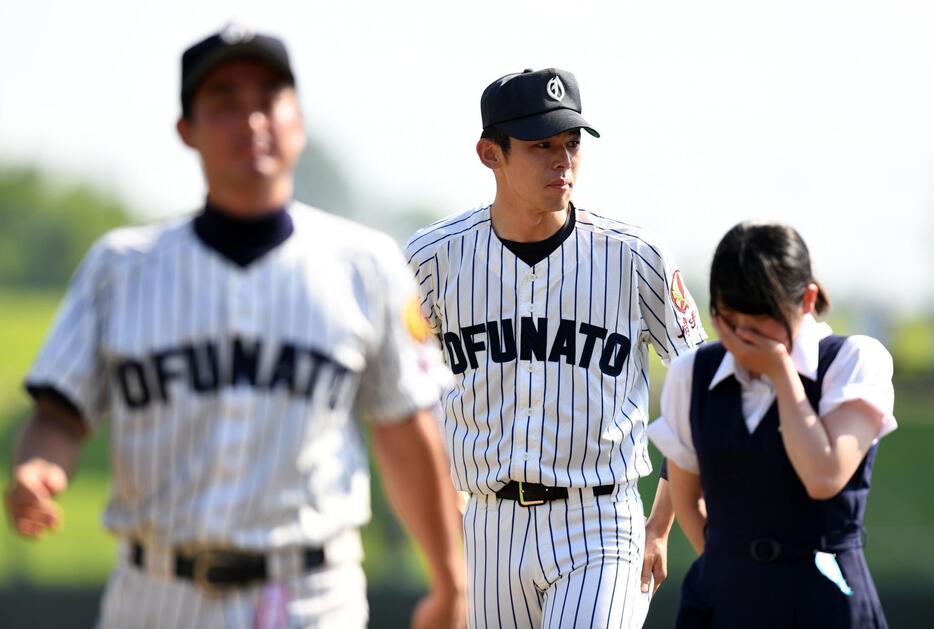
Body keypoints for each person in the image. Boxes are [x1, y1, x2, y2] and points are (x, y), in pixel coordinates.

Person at [4, 25, 465, 629]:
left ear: (297, 121)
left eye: (269, 97)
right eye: (224, 100)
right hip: (155, 594)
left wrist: (451, 582)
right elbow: (61, 411)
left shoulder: (366, 265)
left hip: (308, 596)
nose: (251, 119)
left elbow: (406, 432)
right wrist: (40, 464)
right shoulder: (121, 268)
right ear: (186, 131)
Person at [404, 68, 707, 628]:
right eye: (541, 145)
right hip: (487, 525)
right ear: (489, 153)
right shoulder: (431, 259)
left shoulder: (633, 256)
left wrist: (660, 524)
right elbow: (400, 393)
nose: (562, 160)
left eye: (570, 143)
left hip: (601, 520)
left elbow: (703, 387)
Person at [647, 221, 896, 628]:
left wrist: (782, 372)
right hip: (724, 600)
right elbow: (689, 497)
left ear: (807, 300)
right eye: (729, 321)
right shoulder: (692, 374)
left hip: (826, 601)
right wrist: (733, 564)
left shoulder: (853, 361)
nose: (744, 338)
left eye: (760, 324)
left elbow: (824, 475)